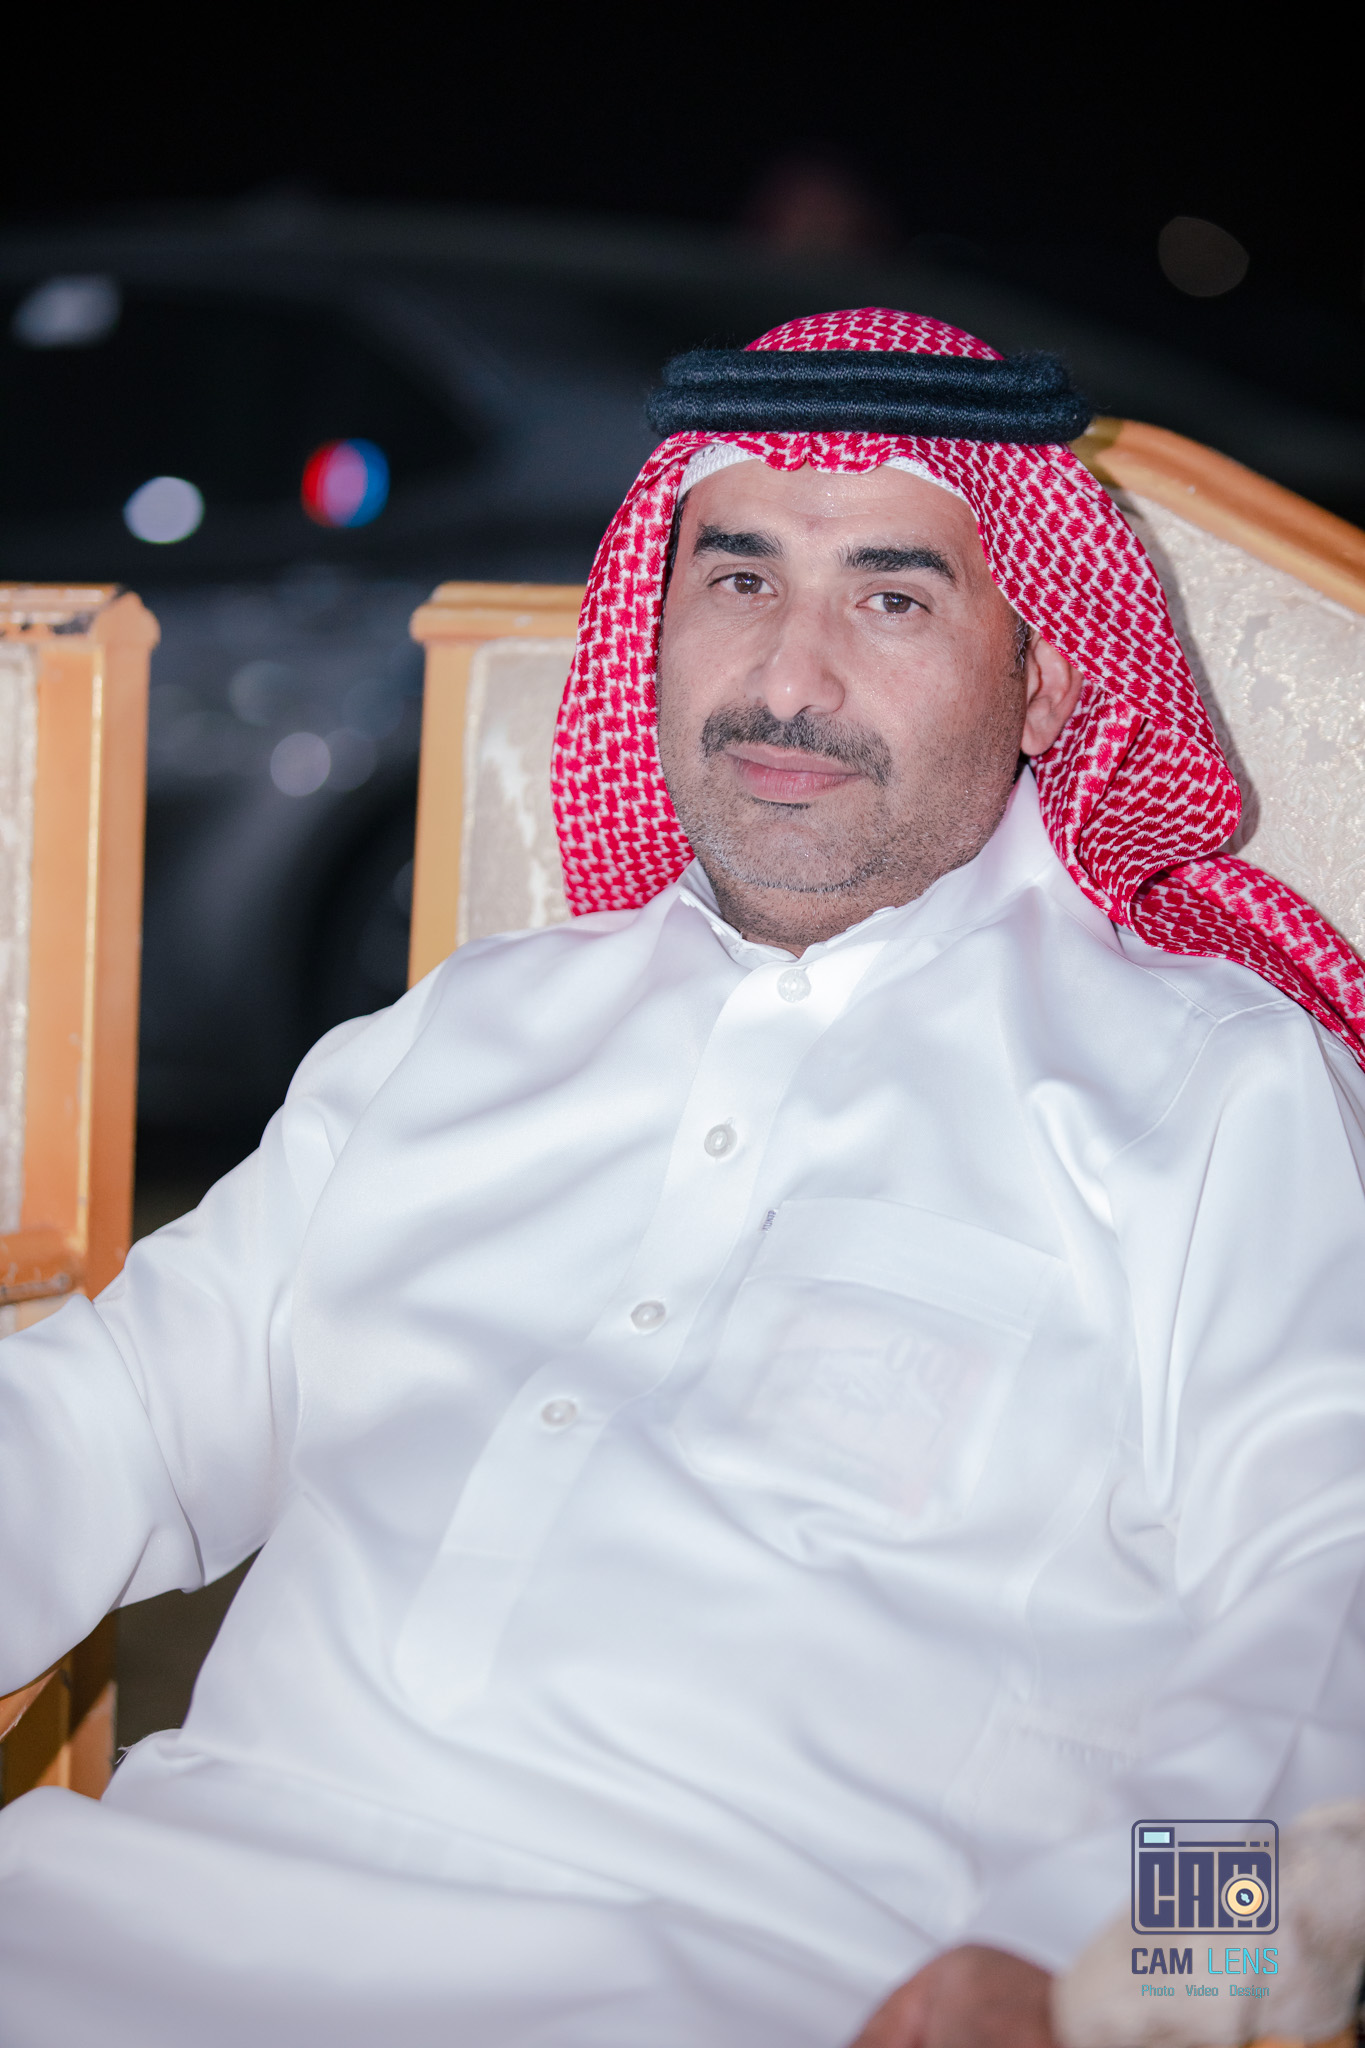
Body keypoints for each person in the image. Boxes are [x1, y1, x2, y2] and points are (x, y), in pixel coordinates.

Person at [1, 307, 1363, 2048]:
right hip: (143, 1927)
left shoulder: (1205, 1087)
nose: (790, 681)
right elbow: (103, 1418)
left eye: (890, 599)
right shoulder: (468, 1028)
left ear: (1042, 676)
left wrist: (1130, 1988)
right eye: (736, 580)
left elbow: (1326, 1620)